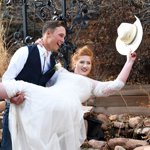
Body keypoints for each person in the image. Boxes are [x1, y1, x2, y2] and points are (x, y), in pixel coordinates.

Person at [0, 46, 136, 150]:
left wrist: (129, 62)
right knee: (21, 87)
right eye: (82, 62)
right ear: (74, 63)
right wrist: (40, 45)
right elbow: (44, 61)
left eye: (88, 63)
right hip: (49, 100)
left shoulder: (92, 84)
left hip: (67, 107)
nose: (85, 65)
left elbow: (117, 85)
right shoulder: (61, 72)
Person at [1, 20, 66, 150]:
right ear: (48, 34)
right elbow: (7, 79)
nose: (63, 40)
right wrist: (11, 98)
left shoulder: (53, 62)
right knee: (10, 146)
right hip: (16, 110)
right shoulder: (25, 52)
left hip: (36, 114)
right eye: (61, 35)